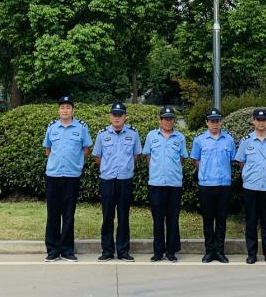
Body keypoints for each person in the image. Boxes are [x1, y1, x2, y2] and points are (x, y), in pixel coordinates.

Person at [42, 94, 92, 261]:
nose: (65, 110)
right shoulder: (52, 127)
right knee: (53, 214)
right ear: (59, 110)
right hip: (54, 175)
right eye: (62, 107)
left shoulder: (81, 128)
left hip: (72, 176)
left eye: (68, 107)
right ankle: (53, 250)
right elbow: (48, 150)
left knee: (69, 214)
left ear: (73, 110)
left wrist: (76, 164)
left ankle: (67, 250)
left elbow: (86, 150)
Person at [92, 101, 142, 261]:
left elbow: (136, 156)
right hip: (107, 180)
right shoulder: (102, 134)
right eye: (114, 115)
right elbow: (97, 157)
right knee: (107, 216)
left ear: (125, 117)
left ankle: (123, 251)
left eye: (120, 115)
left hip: (125, 180)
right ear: (110, 116)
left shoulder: (133, 134)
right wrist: (109, 168)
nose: (117, 118)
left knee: (123, 216)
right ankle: (107, 251)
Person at [234, 108, 266, 265]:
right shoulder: (246, 141)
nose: (261, 123)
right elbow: (241, 162)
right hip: (251, 187)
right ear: (253, 121)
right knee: (251, 221)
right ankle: (252, 253)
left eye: (263, 120)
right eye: (258, 120)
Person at [142, 106, 187, 262]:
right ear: (160, 120)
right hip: (156, 183)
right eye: (165, 119)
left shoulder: (180, 137)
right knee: (158, 219)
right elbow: (148, 157)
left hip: (174, 184)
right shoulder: (151, 136)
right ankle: (158, 251)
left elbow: (181, 158)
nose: (168, 122)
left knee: (173, 219)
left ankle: (171, 251)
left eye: (171, 119)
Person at [190, 107, 236, 263]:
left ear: (220, 122)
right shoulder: (200, 140)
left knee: (221, 220)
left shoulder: (229, 140)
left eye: (217, 121)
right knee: (208, 220)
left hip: (224, 184)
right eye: (211, 121)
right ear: (206, 122)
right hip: (206, 184)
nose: (214, 124)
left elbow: (231, 159)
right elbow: (196, 160)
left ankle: (220, 251)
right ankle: (209, 251)